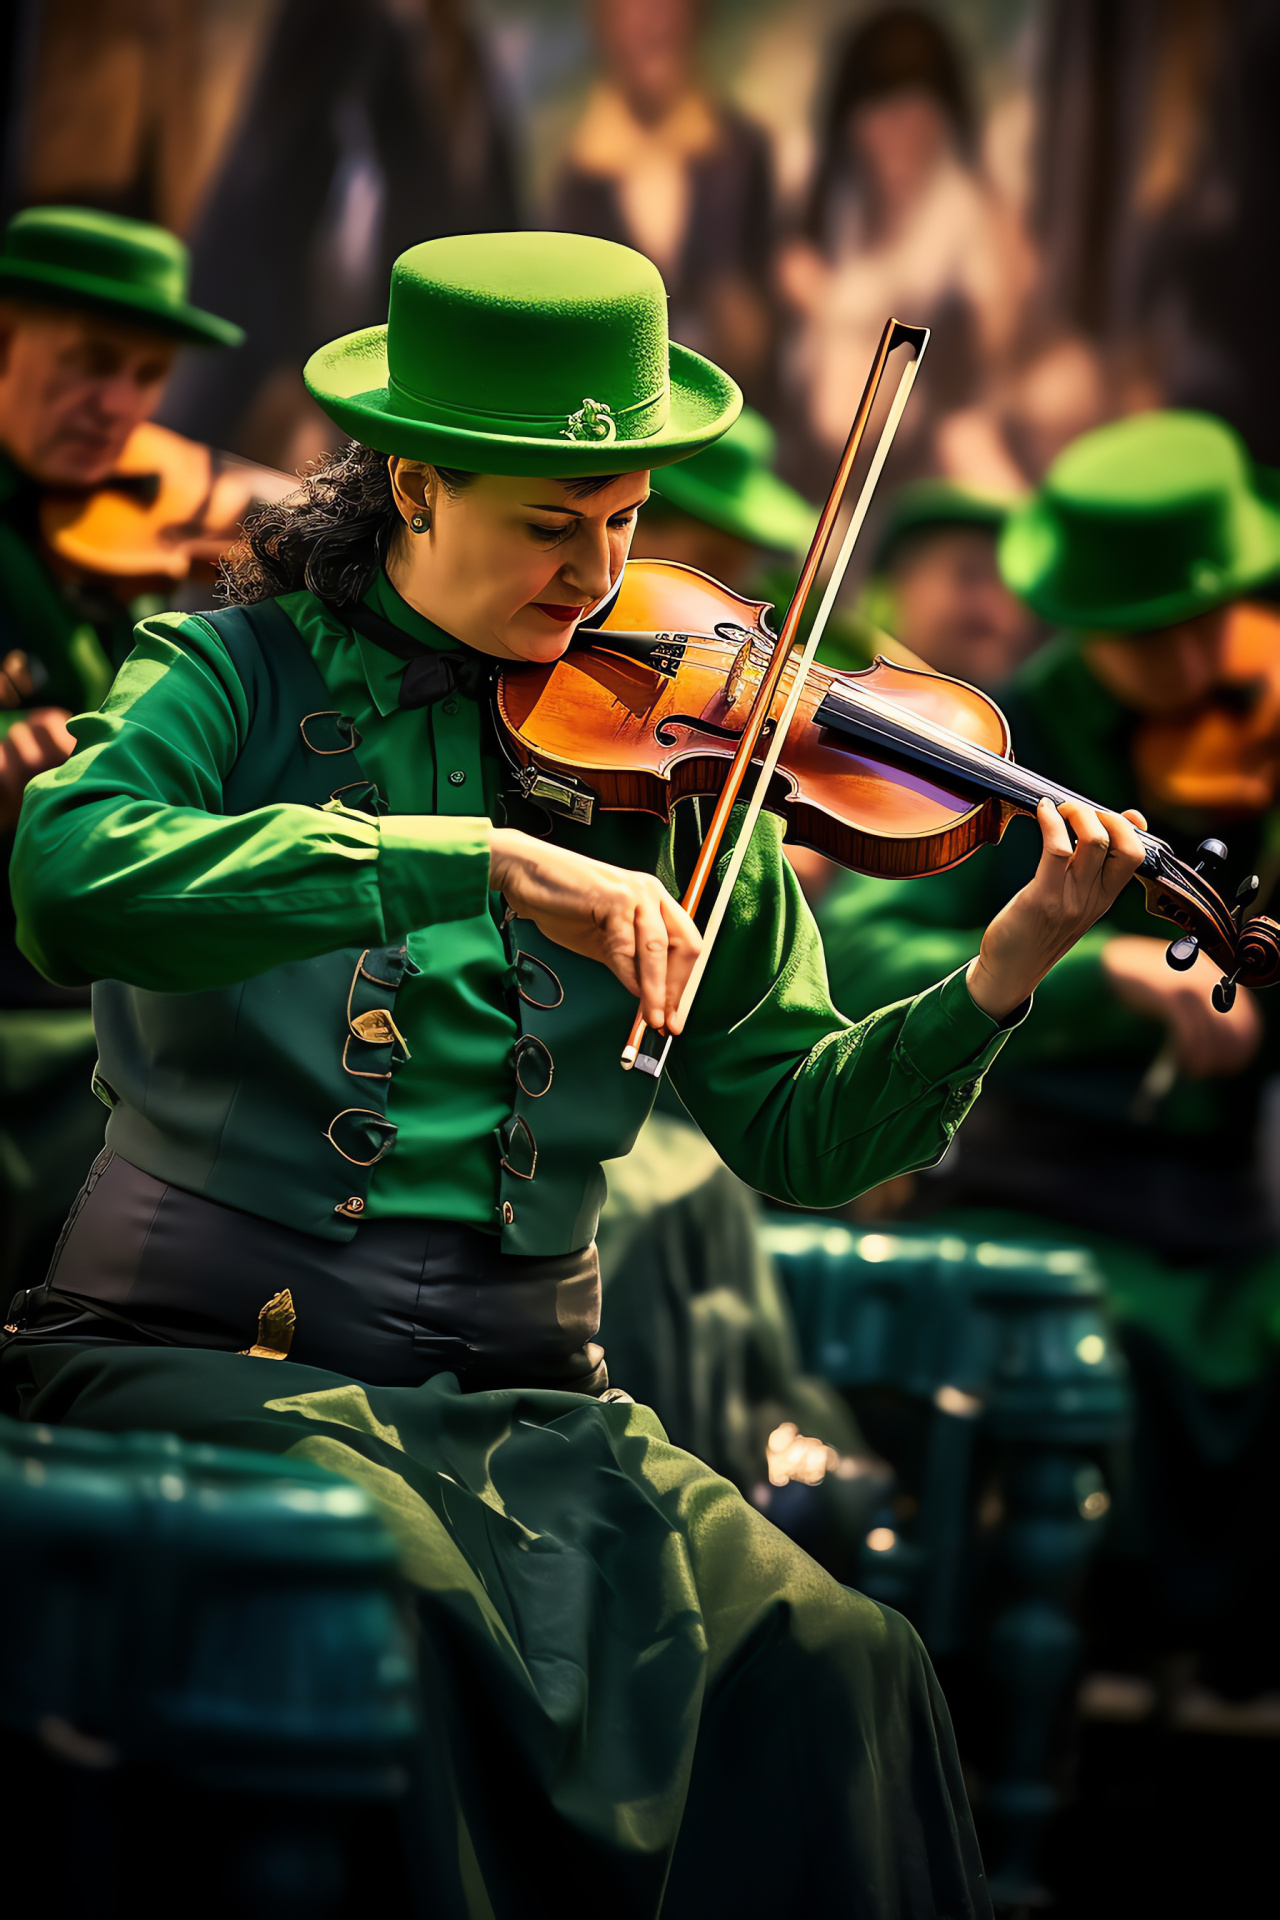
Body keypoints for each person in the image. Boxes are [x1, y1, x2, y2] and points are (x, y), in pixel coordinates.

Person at [4, 230, 1144, 1914]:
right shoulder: (227, 675)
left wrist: (1006, 966)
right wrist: (459, 856)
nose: (601, 575)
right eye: (552, 524)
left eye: (624, 522)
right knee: (400, 1617)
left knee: (841, 1659)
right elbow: (65, 875)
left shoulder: (685, 767)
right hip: (217, 1360)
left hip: (534, 1407)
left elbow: (800, 1130)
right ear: (411, 487)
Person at [813, 409, 1280, 1696]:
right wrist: (1096, 974)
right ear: (1086, 619)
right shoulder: (999, 746)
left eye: (1216, 617)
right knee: (1078, 1352)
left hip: (1224, 1215)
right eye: (1150, 635)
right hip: (1030, 1184)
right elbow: (853, 951)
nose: (1194, 660)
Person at [0, 203, 243, 1297]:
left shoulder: (120, 540)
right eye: (93, 363)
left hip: (96, 1001)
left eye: (147, 376)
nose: (121, 410)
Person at [778, 6, 1033, 494]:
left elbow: (981, 367)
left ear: (944, 120)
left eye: (915, 115)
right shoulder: (831, 209)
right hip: (822, 477)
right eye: (881, 114)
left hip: (920, 467)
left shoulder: (969, 221)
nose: (897, 136)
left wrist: (832, 304)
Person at [552, 0, 776, 404]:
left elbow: (763, 343)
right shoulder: (577, 183)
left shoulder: (743, 153)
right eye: (631, 8)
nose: (651, 22)